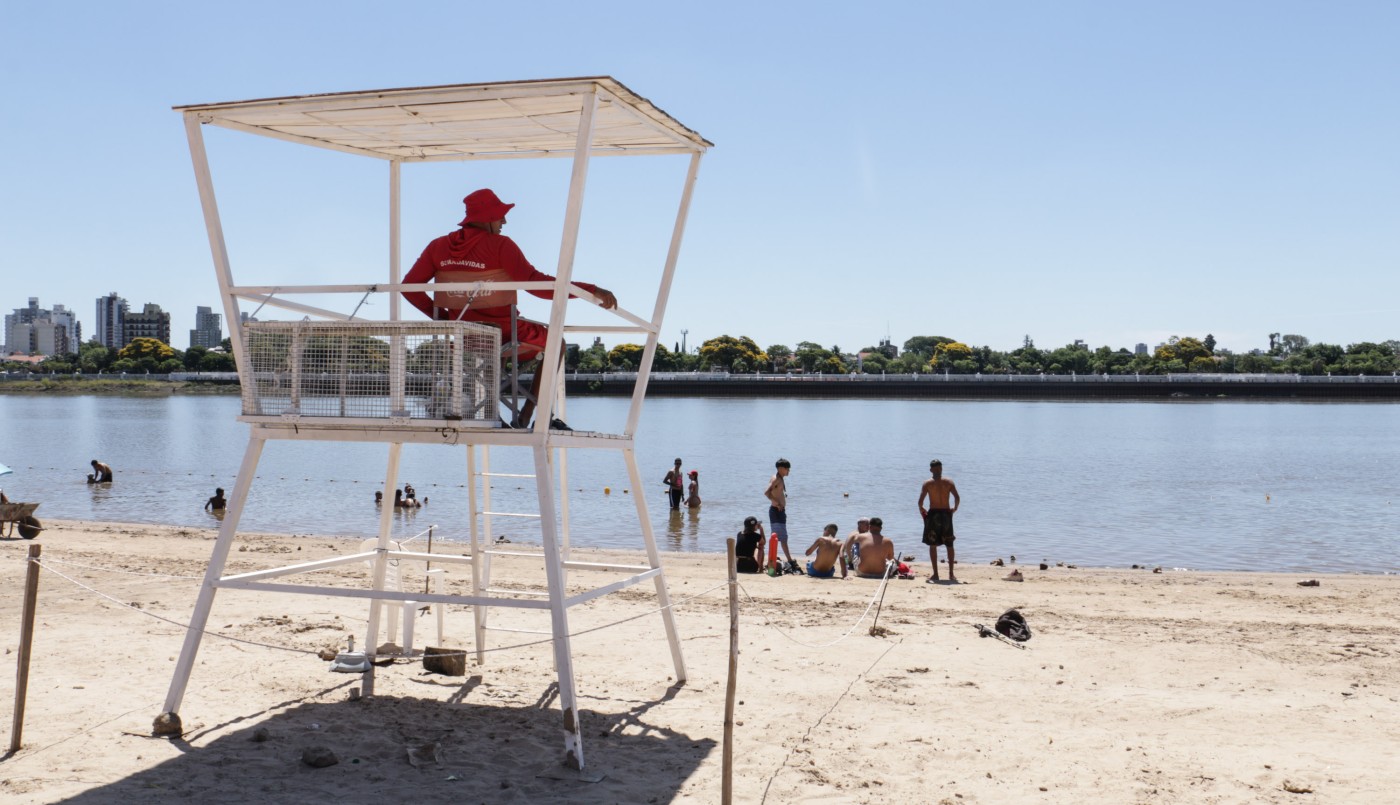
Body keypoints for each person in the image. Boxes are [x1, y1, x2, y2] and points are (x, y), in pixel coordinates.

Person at [402, 188, 618, 429]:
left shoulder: (437, 247)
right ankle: (531, 414)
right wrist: (590, 289)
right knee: (557, 343)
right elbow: (538, 286)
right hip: (505, 332)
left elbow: (408, 287)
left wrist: (445, 319)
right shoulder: (500, 245)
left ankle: (492, 413)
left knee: (495, 348)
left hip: (467, 336)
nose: (504, 221)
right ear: (487, 218)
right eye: (500, 215)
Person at [919, 459, 961, 583]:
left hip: (933, 514)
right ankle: (951, 574)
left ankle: (936, 574)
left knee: (933, 545)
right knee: (949, 544)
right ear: (940, 468)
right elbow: (957, 498)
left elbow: (920, 502)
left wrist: (923, 511)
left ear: (931, 469)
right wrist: (954, 509)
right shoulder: (948, 482)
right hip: (946, 514)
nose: (937, 470)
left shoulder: (927, 483)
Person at [765, 458, 796, 570]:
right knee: (781, 538)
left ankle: (776, 558)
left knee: (780, 537)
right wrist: (777, 503)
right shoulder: (776, 479)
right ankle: (789, 560)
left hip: (779, 512)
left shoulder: (779, 478)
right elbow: (767, 492)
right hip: (776, 511)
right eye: (787, 469)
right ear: (781, 468)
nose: (789, 471)